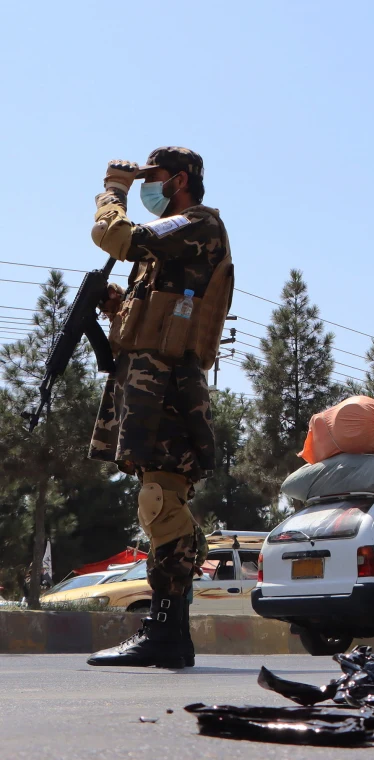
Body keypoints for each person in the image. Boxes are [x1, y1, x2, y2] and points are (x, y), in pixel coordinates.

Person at [86, 147, 234, 668]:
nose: (148, 188)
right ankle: (166, 633)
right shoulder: (171, 247)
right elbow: (153, 314)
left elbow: (116, 236)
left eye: (154, 179)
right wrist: (112, 306)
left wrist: (113, 192)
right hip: (150, 387)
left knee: (161, 503)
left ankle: (169, 636)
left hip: (170, 387)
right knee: (158, 505)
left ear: (179, 181)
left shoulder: (198, 226)